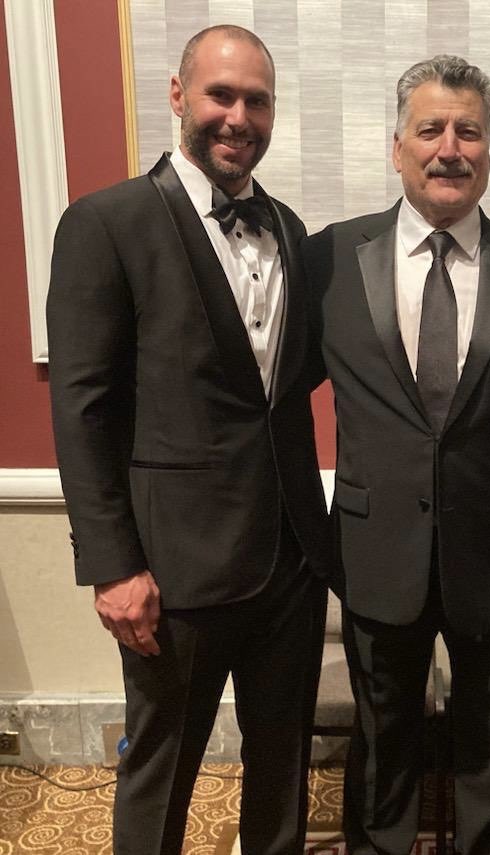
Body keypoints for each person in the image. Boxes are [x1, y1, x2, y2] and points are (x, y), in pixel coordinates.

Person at [47, 25, 331, 855]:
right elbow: (82, 407)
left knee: (282, 763)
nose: (238, 116)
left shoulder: (287, 226)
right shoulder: (107, 223)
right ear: (178, 97)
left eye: (256, 100)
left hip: (290, 557)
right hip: (170, 570)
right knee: (162, 765)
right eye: (221, 95)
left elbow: (282, 384)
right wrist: (113, 565)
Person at [303, 55, 490, 855]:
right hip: (372, 551)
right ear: (397, 147)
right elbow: (272, 400)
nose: (449, 147)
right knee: (383, 744)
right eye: (430, 130)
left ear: (488, 151)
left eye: (469, 132)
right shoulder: (328, 258)